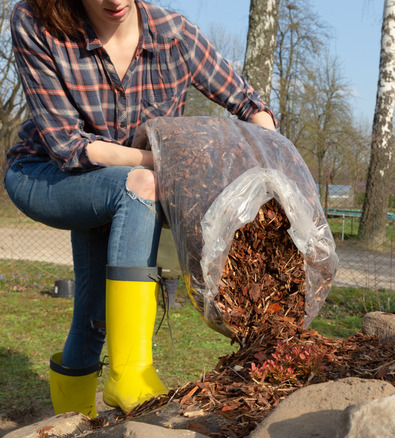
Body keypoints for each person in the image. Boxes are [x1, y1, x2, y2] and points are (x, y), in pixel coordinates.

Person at [4, 0, 277, 417]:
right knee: (142, 185)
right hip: (46, 173)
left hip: (119, 184)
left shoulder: (174, 33)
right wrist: (172, 162)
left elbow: (249, 103)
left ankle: (74, 422)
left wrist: (274, 162)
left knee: (95, 313)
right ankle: (130, 372)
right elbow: (69, 147)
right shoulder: (37, 22)